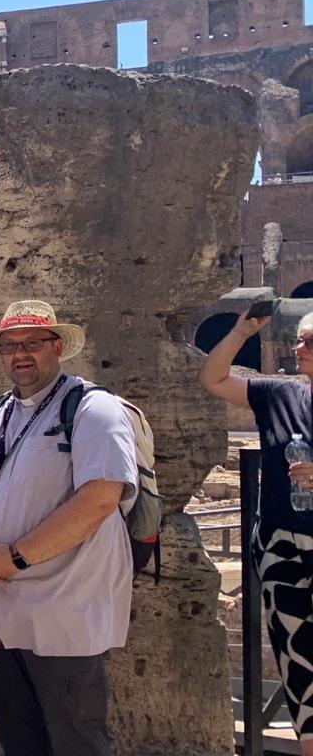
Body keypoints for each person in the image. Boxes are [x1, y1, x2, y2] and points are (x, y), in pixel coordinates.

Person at [0, 300, 136, 756]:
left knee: (76, 740)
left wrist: (14, 557)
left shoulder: (92, 409)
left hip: (61, 611)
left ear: (58, 346)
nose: (20, 355)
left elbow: (99, 499)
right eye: (10, 346)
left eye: (32, 343)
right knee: (18, 738)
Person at [200, 305, 313, 755]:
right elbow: (212, 377)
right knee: (299, 666)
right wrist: (240, 332)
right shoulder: (278, 395)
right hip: (282, 548)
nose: (298, 347)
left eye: (309, 342)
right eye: (300, 339)